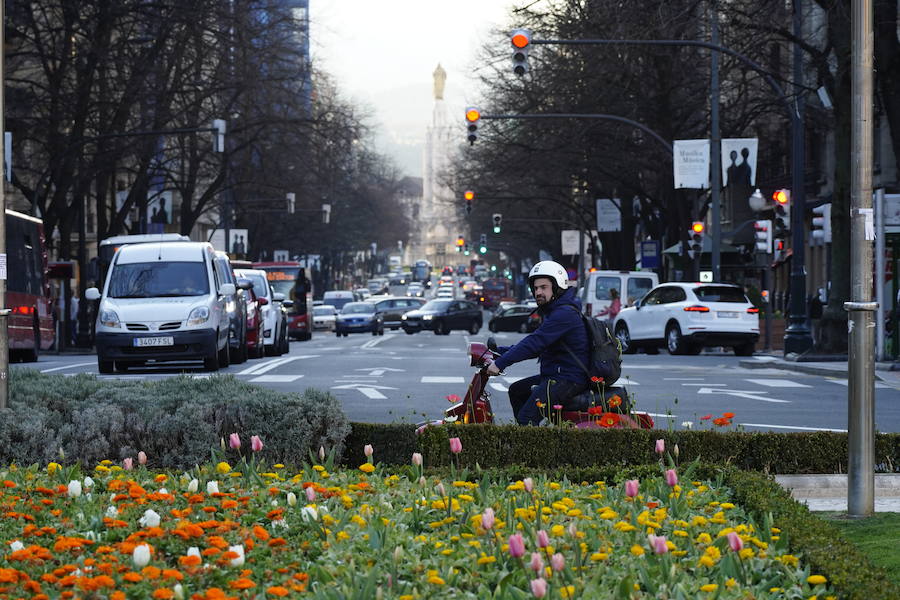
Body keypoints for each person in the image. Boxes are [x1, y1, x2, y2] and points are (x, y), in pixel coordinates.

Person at [485, 260, 590, 425]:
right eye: (535, 288)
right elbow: (537, 347)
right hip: (556, 374)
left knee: (527, 417)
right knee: (517, 391)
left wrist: (501, 363)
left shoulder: (564, 314)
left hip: (568, 378)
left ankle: (528, 437)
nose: (538, 292)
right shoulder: (554, 311)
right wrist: (499, 352)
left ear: (557, 287)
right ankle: (526, 432)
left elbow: (535, 342)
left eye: (543, 287)